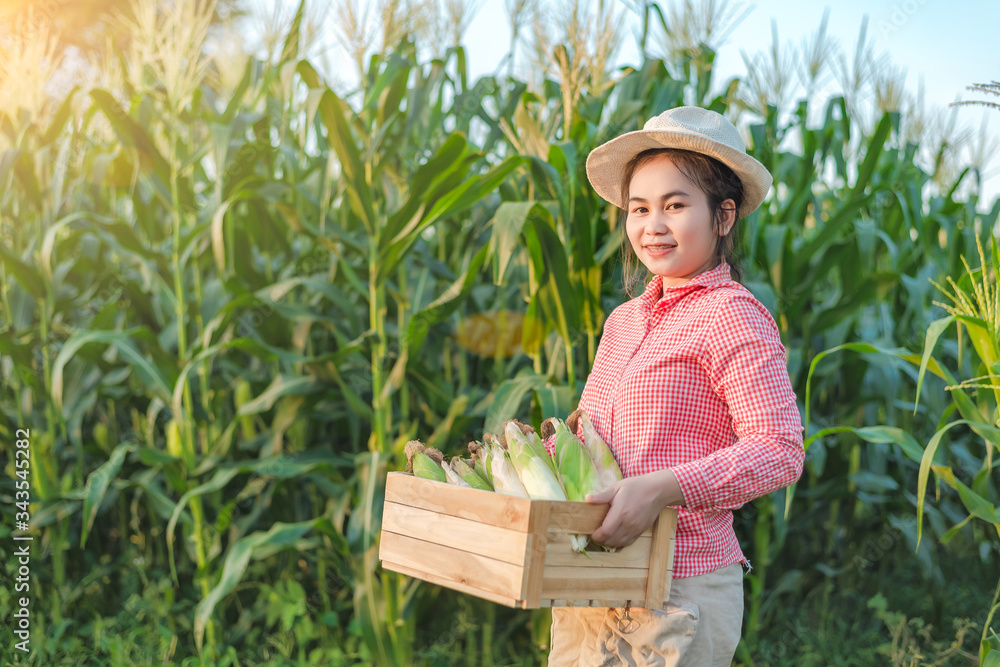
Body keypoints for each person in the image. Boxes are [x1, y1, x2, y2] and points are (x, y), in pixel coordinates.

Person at [546, 106, 805, 666]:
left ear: (724, 216)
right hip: (589, 578)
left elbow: (780, 451)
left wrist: (663, 487)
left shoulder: (731, 315)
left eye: (675, 205)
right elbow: (588, 436)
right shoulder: (623, 321)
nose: (652, 225)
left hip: (678, 585)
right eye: (639, 209)